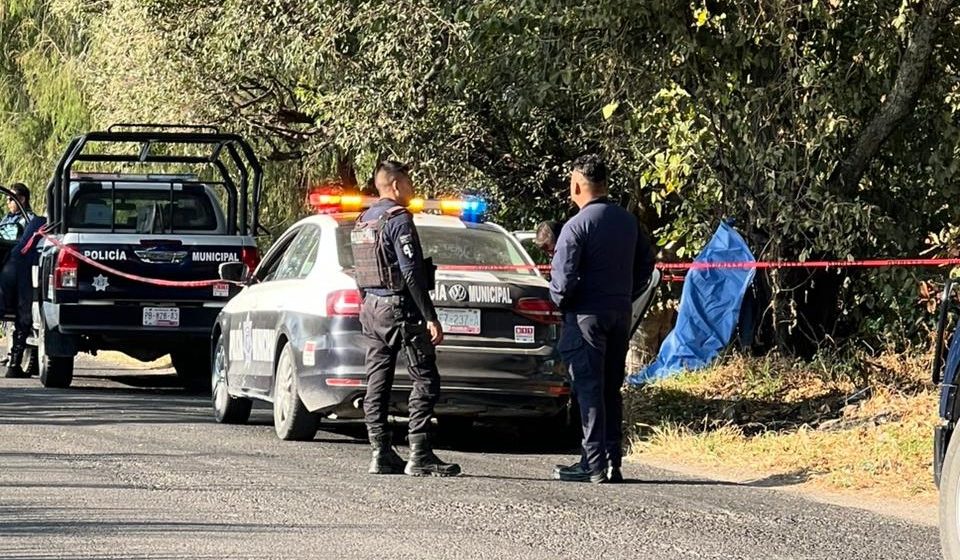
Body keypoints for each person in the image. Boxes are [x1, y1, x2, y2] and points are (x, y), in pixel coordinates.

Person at [351, 160, 461, 477]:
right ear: (397, 185)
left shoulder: (364, 220)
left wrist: (369, 303)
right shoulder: (398, 219)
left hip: (372, 309)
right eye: (409, 183)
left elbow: (360, 271)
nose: (413, 189)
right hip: (400, 309)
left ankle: (380, 452)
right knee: (425, 377)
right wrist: (430, 316)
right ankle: (420, 453)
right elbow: (411, 272)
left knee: (377, 382)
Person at [550, 154, 648, 484]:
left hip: (585, 316)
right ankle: (611, 461)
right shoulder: (627, 221)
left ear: (577, 184)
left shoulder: (576, 225)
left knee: (589, 389)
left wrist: (563, 302)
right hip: (619, 313)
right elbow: (645, 268)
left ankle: (592, 464)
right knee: (610, 389)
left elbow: (561, 282)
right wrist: (622, 294)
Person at [1, 183, 38, 378]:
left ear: (21, 199)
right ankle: (14, 364)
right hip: (9, 269)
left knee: (23, 317)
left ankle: (14, 363)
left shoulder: (31, 221)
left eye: (10, 198)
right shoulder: (6, 220)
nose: (7, 202)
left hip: (20, 268)